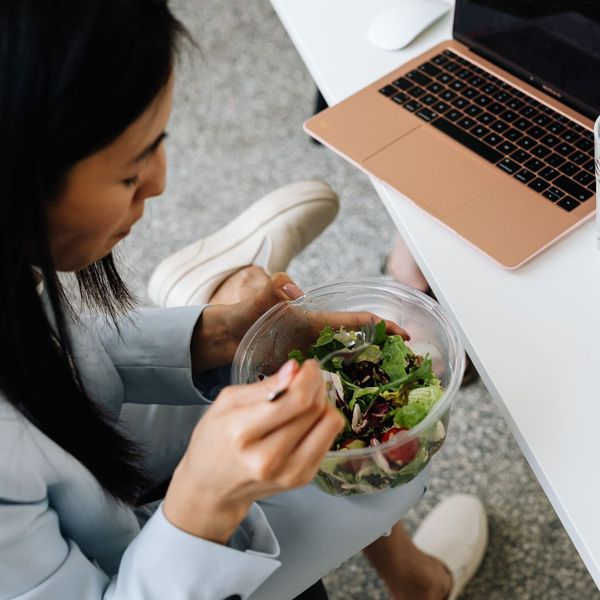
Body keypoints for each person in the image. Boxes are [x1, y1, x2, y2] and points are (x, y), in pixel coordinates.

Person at [0, 1, 487, 599]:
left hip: (96, 468)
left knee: (331, 438)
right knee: (372, 483)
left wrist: (214, 333)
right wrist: (203, 504)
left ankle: (413, 580)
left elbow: (55, 355)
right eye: (130, 173)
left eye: (160, 143)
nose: (160, 183)